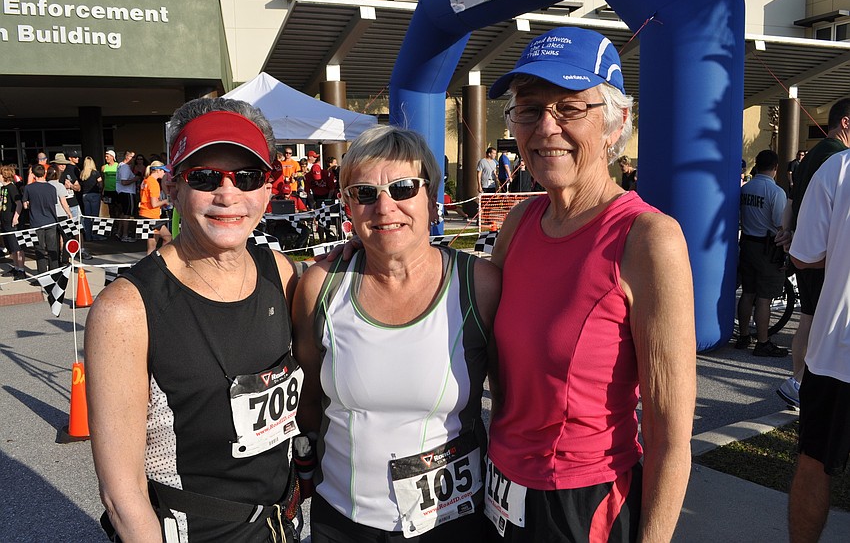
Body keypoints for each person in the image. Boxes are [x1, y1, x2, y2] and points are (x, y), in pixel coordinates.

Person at [485, 27, 696, 542]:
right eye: (530, 109)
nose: (546, 128)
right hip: (499, 489)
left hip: (584, 502)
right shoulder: (519, 222)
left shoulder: (649, 239)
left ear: (615, 122)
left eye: (570, 108)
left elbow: (671, 439)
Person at [86, 98, 302, 542]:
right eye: (204, 177)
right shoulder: (125, 309)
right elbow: (121, 495)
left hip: (280, 526)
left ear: (268, 189)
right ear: (171, 188)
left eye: (247, 177)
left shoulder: (278, 272)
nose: (228, 195)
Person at [294, 124, 501, 542]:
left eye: (404, 188)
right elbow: (309, 403)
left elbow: (511, 407)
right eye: (365, 193)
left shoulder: (480, 284)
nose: (385, 208)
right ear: (348, 207)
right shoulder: (321, 285)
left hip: (450, 522)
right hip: (342, 520)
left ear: (432, 197)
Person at [787, 148, 850, 543]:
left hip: (835, 353)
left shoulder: (839, 167)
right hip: (833, 353)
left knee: (814, 463)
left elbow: (805, 256)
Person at [775, 98, 850, 407]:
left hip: (807, 246)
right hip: (824, 256)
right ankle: (802, 383)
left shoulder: (811, 157)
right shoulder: (838, 157)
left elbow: (793, 198)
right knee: (819, 320)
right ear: (845, 122)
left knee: (808, 318)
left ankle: (799, 381)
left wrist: (788, 231)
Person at [735, 149, 788, 357]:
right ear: (775, 168)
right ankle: (763, 342)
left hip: (747, 243)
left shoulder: (745, 189)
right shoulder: (776, 192)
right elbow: (779, 223)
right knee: (764, 298)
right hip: (767, 248)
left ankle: (744, 335)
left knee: (748, 292)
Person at [22, 164, 66, 273]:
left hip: (36, 222)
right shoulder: (52, 188)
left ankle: (42, 275)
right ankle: (54, 273)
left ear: (33, 174)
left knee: (39, 249)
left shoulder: (28, 188)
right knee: (52, 248)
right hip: (51, 221)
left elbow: (25, 205)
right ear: (44, 173)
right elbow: (54, 203)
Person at [138, 161, 173, 255]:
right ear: (158, 170)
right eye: (163, 171)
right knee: (167, 237)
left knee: (153, 244)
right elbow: (154, 204)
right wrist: (166, 201)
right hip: (151, 216)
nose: (165, 173)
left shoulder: (146, 180)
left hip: (146, 214)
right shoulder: (153, 183)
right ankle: (158, 260)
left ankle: (154, 261)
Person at [1, 164, 26, 279]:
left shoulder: (11, 188)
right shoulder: (3, 188)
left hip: (12, 222)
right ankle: (16, 267)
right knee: (11, 247)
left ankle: (21, 269)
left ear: (4, 175)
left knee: (17, 247)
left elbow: (19, 204)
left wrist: (16, 217)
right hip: (5, 221)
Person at [116, 150, 140, 241]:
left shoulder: (121, 166)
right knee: (127, 214)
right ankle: (125, 235)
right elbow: (124, 182)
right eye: (132, 157)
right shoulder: (125, 167)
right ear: (127, 157)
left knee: (123, 213)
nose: (134, 159)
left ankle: (120, 232)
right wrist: (135, 179)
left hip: (122, 192)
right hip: (127, 192)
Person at [79, 156, 104, 241]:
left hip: (85, 195)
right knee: (95, 217)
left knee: (87, 216)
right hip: (94, 194)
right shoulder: (95, 173)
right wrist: (100, 190)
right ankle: (95, 235)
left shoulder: (82, 173)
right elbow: (100, 183)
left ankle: (88, 235)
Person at [102, 150, 121, 219]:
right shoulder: (104, 167)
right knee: (110, 208)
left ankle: (118, 223)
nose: (106, 158)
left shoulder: (118, 166)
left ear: (112, 157)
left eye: (107, 156)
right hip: (107, 191)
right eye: (105, 157)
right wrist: (102, 190)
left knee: (118, 207)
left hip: (116, 190)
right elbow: (103, 179)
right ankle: (112, 224)